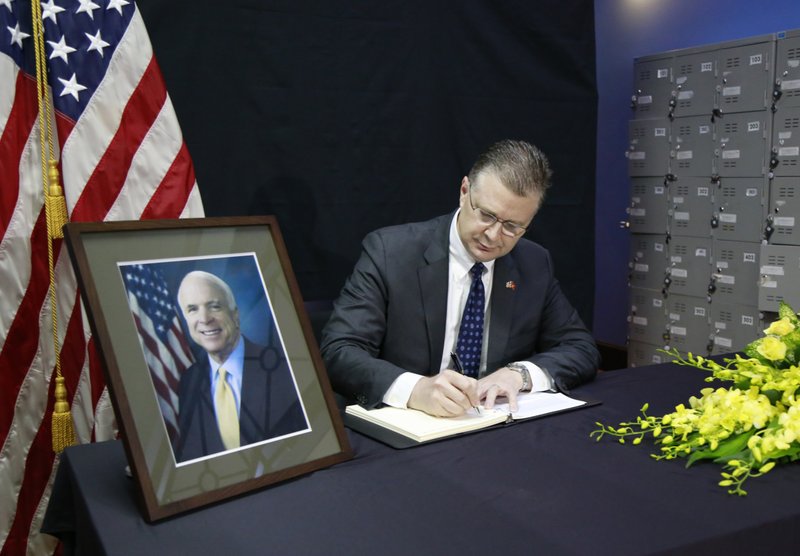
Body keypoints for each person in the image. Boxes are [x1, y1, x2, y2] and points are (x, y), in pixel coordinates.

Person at [321, 140, 599, 417]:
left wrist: (519, 375)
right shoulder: (390, 253)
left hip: (490, 426)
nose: (493, 235)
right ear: (464, 192)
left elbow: (580, 347)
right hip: (410, 426)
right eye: (487, 215)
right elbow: (340, 351)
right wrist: (415, 389)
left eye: (512, 227)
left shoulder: (534, 264)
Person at [173, 270, 307, 462]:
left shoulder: (284, 369)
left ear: (235, 315)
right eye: (192, 309)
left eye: (214, 306)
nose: (204, 318)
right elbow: (193, 454)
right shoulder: (189, 380)